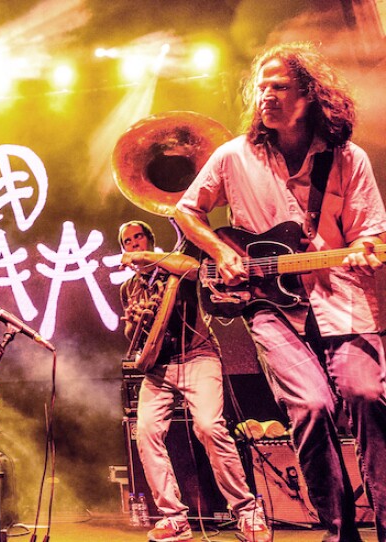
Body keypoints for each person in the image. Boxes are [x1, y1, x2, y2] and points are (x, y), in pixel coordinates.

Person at [175, 42, 386, 541]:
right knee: (310, 408)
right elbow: (186, 211)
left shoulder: (347, 159)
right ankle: (340, 534)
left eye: (280, 87)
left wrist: (364, 247)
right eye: (262, 87)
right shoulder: (233, 156)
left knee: (368, 395)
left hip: (344, 301)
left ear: (310, 96)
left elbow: (371, 233)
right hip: (271, 309)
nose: (266, 96)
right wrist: (222, 252)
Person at [118, 220, 270, 542]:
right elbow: (134, 335)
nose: (134, 244)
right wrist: (136, 321)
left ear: (149, 239)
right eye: (128, 241)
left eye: (138, 237)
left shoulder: (173, 265)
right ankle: (174, 519)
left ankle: (247, 512)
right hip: (158, 367)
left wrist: (149, 257)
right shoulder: (128, 288)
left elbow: (192, 268)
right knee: (144, 432)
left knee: (209, 427)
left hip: (199, 356)